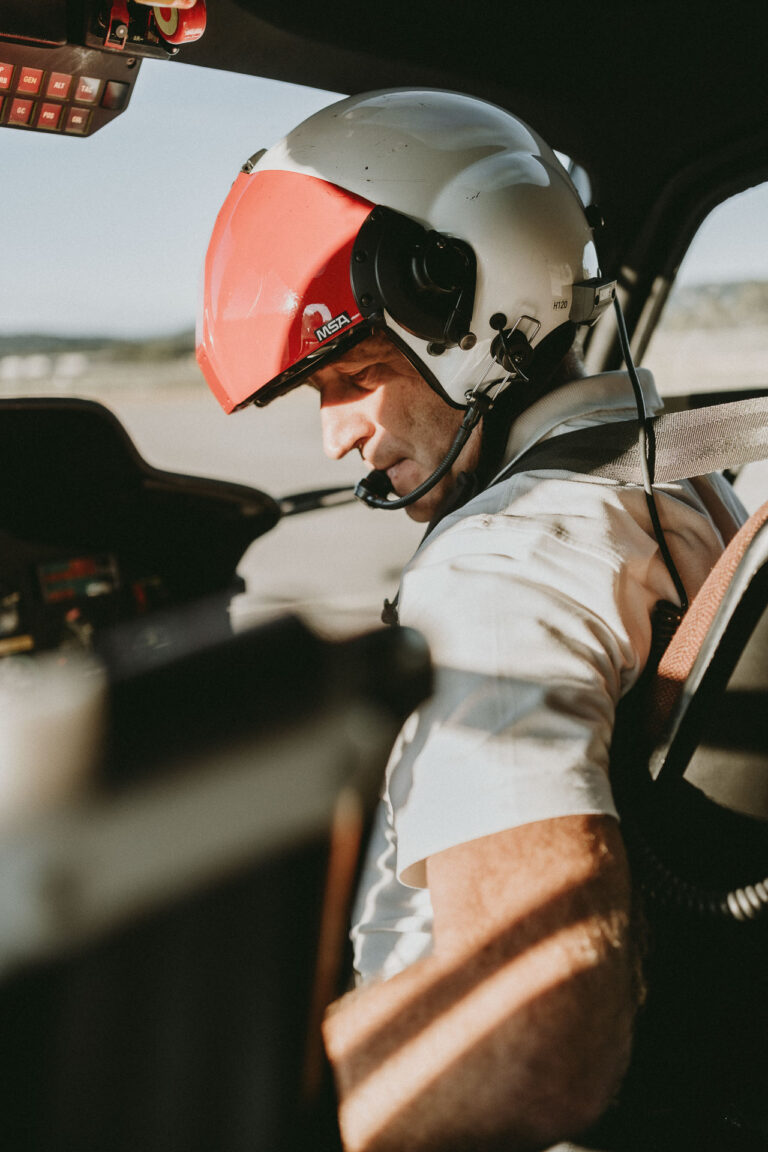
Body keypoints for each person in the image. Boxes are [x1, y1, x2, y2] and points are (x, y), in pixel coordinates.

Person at [196, 89, 746, 1151]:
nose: (337, 441)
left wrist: (248, 1101)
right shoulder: (676, 471)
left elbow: (533, 1041)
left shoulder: (500, 564)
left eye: (352, 375)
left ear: (460, 307)